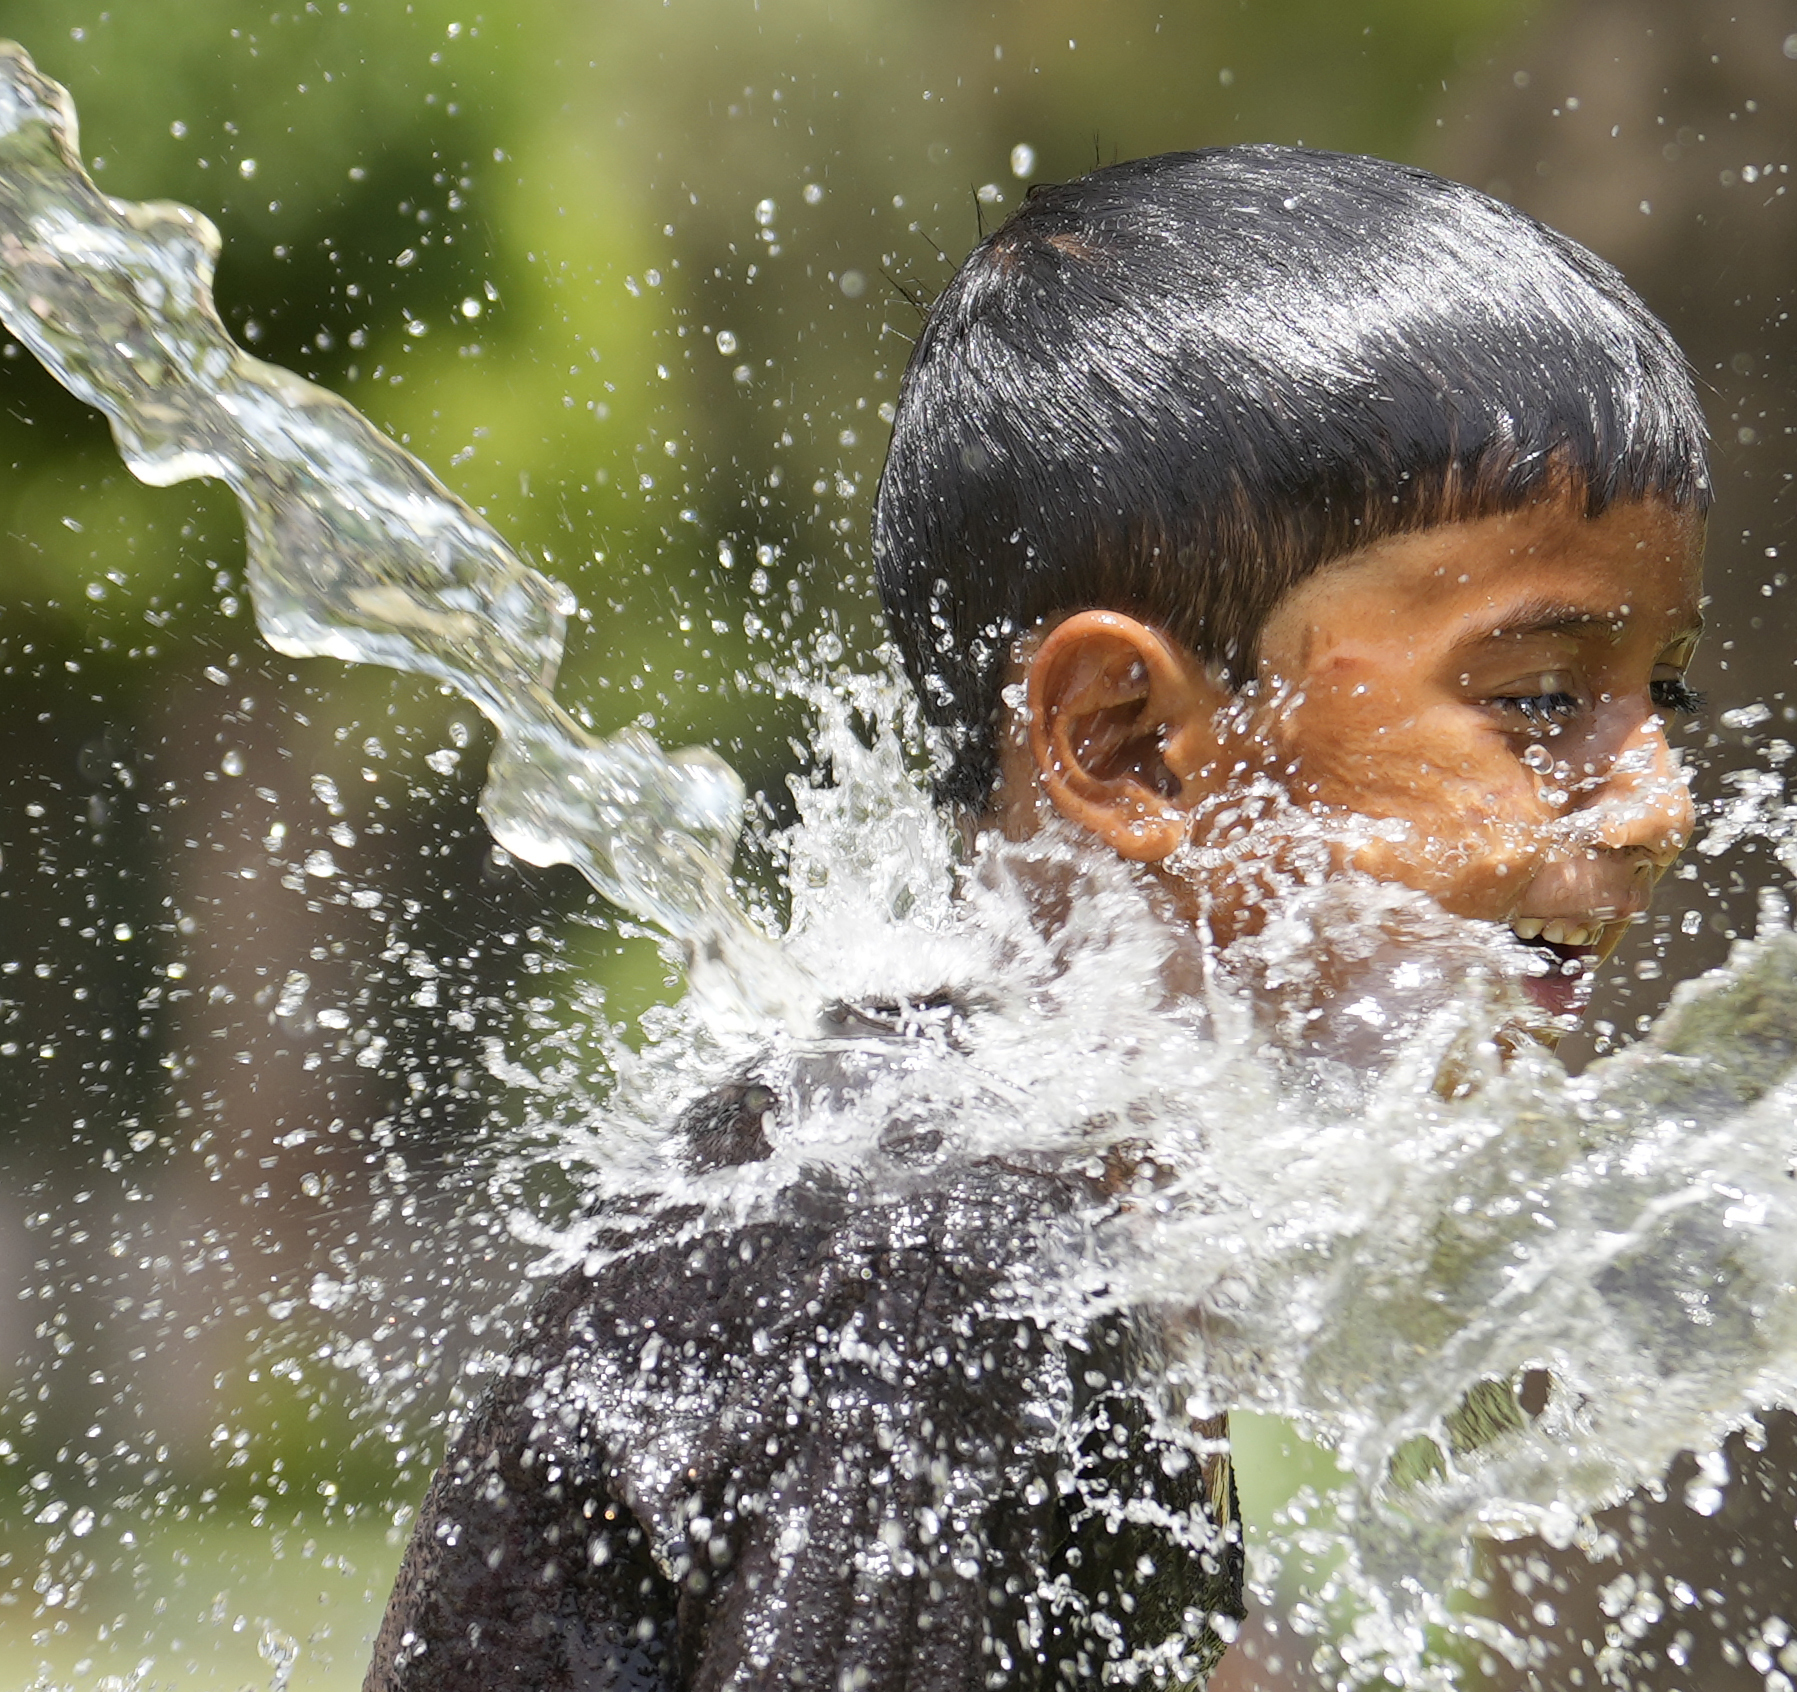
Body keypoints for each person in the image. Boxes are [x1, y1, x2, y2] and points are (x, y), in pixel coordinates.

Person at [364, 143, 1708, 1692]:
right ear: (1125, 743)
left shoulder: (1049, 1197)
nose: (1660, 802)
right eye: (1541, 698)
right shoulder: (925, 1254)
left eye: (1658, 690)